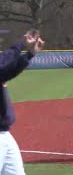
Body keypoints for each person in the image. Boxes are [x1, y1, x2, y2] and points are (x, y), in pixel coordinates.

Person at [0, 29, 44, 175]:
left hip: (5, 135)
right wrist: (23, 47)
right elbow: (5, 69)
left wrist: (28, 52)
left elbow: (6, 67)